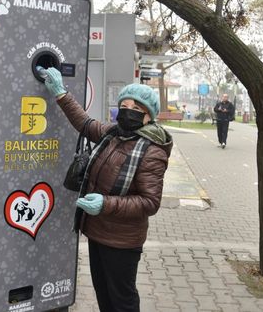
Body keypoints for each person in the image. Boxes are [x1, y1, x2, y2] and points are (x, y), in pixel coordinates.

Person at [41, 68, 172, 312]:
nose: (127, 111)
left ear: (148, 116)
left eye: (136, 108)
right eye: (124, 105)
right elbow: (85, 122)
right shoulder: (113, 134)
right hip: (97, 231)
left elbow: (149, 202)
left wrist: (105, 203)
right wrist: (60, 94)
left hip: (122, 241)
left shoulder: (152, 151)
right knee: (104, 294)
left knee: (122, 300)